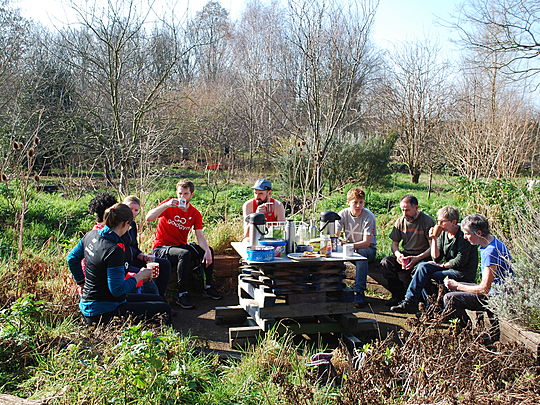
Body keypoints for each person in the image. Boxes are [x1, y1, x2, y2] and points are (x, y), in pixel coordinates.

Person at [67, 203, 171, 325]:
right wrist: (140, 276)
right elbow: (117, 290)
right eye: (129, 226)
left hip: (91, 302)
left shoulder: (91, 235)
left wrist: (81, 282)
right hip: (103, 311)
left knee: (158, 300)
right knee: (164, 310)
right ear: (124, 224)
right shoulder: (114, 250)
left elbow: (72, 258)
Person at [146, 179, 222, 309]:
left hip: (179, 245)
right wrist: (166, 205)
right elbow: (148, 218)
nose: (182, 197)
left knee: (207, 250)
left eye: (185, 194)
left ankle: (208, 286)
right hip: (162, 247)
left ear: (191, 195)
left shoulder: (195, 213)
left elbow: (199, 235)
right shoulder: (168, 205)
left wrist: (208, 252)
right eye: (180, 193)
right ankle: (182, 294)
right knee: (184, 254)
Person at [390, 206, 478, 313]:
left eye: (442, 222)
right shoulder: (444, 233)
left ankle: (426, 306)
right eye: (438, 221)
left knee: (427, 274)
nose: (438, 224)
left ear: (453, 222)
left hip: (462, 272)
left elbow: (460, 261)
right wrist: (434, 239)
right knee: (421, 267)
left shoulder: (463, 235)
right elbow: (436, 257)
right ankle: (416, 302)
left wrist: (442, 265)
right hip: (448, 268)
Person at [443, 214, 512, 328]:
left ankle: (466, 332)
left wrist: (457, 286)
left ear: (478, 233)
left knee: (450, 298)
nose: (465, 237)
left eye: (467, 233)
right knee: (449, 288)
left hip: (498, 297)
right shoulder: (492, 242)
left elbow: (484, 289)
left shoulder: (491, 252)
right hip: (495, 291)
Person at [381, 195, 435, 306]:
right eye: (402, 210)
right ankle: (397, 295)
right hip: (406, 254)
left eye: (407, 210)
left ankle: (415, 300)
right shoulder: (400, 221)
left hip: (423, 255)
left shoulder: (427, 221)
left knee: (419, 269)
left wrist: (417, 258)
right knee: (386, 263)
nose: (405, 213)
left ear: (416, 208)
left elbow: (432, 247)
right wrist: (398, 255)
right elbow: (394, 244)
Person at [122, 195, 171, 298]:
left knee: (164, 263)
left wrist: (141, 254)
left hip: (134, 257)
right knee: (148, 274)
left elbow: (134, 246)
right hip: (124, 263)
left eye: (136, 210)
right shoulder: (119, 225)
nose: (133, 212)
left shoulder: (133, 225)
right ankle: (155, 300)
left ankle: (161, 297)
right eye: (130, 208)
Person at [336, 187, 377, 308]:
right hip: (350, 248)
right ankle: (335, 287)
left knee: (361, 256)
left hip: (367, 249)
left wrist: (348, 245)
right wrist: (338, 241)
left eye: (361, 202)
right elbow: (335, 235)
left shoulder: (368, 216)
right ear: (349, 202)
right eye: (355, 202)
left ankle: (359, 292)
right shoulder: (342, 214)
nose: (358, 205)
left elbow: (366, 242)